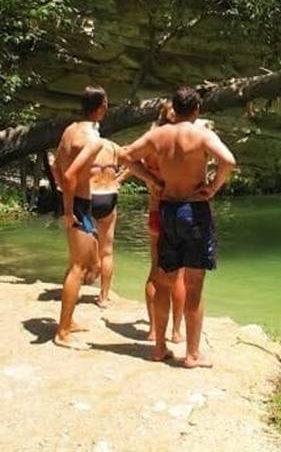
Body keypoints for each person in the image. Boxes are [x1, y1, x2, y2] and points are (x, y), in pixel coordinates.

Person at [120, 86, 236, 367]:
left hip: (167, 208)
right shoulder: (202, 134)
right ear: (196, 110)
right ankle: (192, 354)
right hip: (194, 210)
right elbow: (229, 161)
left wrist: (152, 180)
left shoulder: (157, 135)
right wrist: (212, 188)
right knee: (193, 285)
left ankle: (159, 347)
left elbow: (125, 156)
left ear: (174, 107)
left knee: (163, 280)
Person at [51, 86, 159, 350]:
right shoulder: (93, 139)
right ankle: (62, 332)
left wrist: (151, 180)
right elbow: (68, 176)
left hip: (81, 202)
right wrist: (68, 211)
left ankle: (69, 321)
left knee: (78, 265)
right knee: (79, 268)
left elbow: (57, 167)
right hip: (80, 204)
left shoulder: (69, 130)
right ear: (102, 107)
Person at [127, 101, 185, 344]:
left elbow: (126, 157)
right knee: (178, 276)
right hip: (178, 210)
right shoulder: (182, 139)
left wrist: (151, 179)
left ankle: (153, 330)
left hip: (155, 211)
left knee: (155, 271)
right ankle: (175, 332)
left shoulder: (151, 139)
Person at [88, 138, 123, 308]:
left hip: (89, 195)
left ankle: (80, 284)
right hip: (108, 194)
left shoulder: (84, 145)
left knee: (82, 250)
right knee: (107, 251)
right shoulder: (113, 147)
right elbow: (137, 160)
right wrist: (119, 178)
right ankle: (103, 297)